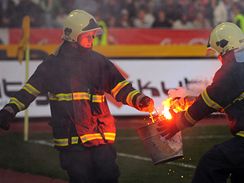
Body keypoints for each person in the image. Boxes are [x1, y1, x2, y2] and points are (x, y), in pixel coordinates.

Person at [0, 10, 154, 183]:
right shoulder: (52, 65)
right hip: (72, 144)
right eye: (87, 36)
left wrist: (140, 100)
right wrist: (9, 109)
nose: (92, 40)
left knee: (109, 178)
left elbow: (120, 87)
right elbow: (29, 91)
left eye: (93, 36)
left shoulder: (98, 61)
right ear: (72, 36)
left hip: (100, 138)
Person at [158, 22, 244, 183]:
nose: (219, 57)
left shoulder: (234, 67)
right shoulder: (240, 65)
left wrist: (178, 123)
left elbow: (210, 99)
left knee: (211, 164)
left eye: (218, 53)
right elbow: (222, 97)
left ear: (224, 46)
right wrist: (186, 102)